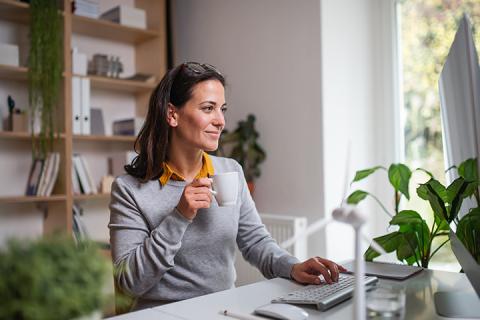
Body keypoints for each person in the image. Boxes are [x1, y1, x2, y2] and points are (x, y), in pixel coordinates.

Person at [109, 62, 346, 311]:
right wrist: (179, 217)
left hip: (225, 310)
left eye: (222, 109)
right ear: (172, 114)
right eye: (208, 108)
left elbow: (255, 242)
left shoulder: (230, 171)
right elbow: (129, 282)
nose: (221, 121)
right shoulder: (129, 190)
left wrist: (292, 267)